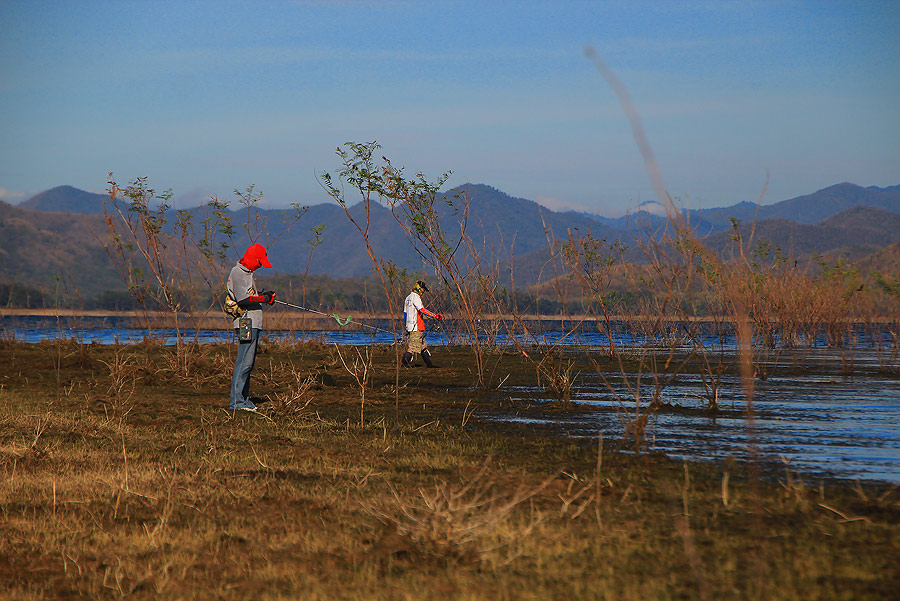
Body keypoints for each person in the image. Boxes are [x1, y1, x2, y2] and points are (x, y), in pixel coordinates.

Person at [227, 244, 276, 411]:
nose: (261, 264)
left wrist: (263, 295)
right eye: (259, 261)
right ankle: (237, 403)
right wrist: (263, 298)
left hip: (253, 322)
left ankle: (244, 400)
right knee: (244, 363)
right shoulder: (238, 272)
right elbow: (243, 300)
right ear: (253, 258)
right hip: (246, 323)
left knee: (249, 363)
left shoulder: (247, 273)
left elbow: (250, 296)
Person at [402, 280, 443, 368]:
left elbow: (405, 314)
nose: (423, 292)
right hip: (416, 327)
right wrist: (435, 316)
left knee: (423, 348)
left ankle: (430, 365)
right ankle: (403, 366)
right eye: (423, 290)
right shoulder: (416, 297)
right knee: (412, 349)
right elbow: (422, 310)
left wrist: (406, 327)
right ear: (419, 289)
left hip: (410, 326)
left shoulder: (408, 297)